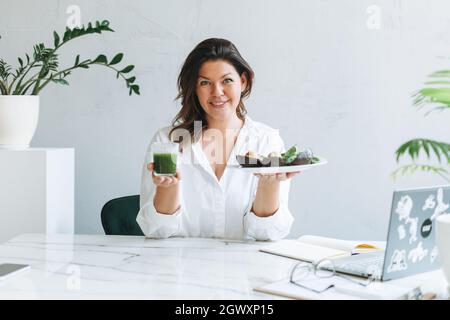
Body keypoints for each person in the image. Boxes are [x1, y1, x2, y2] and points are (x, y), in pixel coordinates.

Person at [136, 38, 300, 240]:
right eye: (205, 83)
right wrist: (167, 188)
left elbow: (267, 234)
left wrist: (269, 184)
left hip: (245, 268)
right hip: (179, 266)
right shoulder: (167, 141)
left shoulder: (266, 142)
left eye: (227, 81)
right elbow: (155, 231)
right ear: (194, 88)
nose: (217, 92)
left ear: (243, 81)